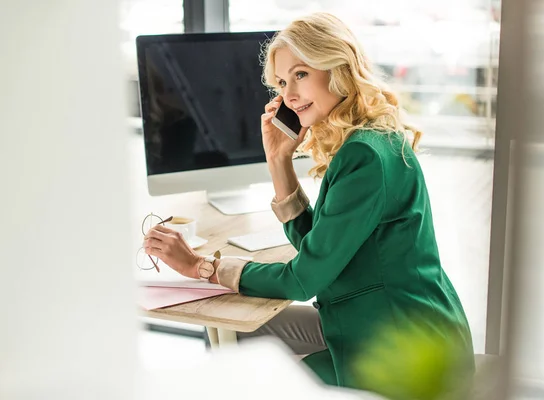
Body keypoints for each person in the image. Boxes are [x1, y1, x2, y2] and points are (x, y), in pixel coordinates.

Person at [143, 12, 475, 390]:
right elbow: (316, 252)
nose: (289, 95)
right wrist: (278, 160)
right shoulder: (369, 140)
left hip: (401, 348)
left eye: (300, 74)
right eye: (282, 83)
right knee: (246, 335)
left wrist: (201, 267)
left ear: (337, 68)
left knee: (251, 375)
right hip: (383, 321)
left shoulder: (365, 156)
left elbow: (304, 279)